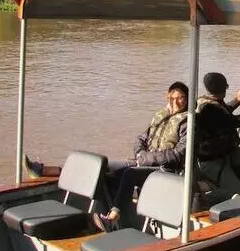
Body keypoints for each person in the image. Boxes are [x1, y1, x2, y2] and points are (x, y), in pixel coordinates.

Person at [23, 81, 190, 230]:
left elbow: (178, 155)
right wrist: (140, 152)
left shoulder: (187, 122)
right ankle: (45, 170)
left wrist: (145, 158)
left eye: (180, 98)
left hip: (162, 169)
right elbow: (141, 138)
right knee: (103, 166)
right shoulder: (160, 116)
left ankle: (113, 217)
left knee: (129, 174)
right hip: (141, 160)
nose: (175, 102)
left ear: (187, 99)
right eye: (172, 98)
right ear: (167, 97)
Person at [195, 72, 240, 161]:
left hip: (207, 153)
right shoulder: (212, 110)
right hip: (216, 158)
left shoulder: (202, 101)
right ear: (225, 87)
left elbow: (223, 112)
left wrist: (237, 100)